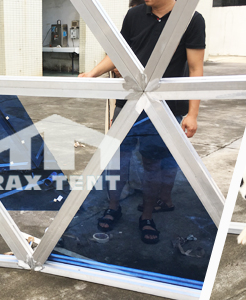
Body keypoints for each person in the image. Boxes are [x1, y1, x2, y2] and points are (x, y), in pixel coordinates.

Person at [79, 0, 205, 244]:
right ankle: (113, 206)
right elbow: (118, 54)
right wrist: (92, 73)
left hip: (164, 107)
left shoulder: (191, 19)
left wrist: (193, 113)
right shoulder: (134, 16)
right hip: (128, 104)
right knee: (116, 159)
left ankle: (147, 216)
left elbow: (195, 69)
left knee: (153, 164)